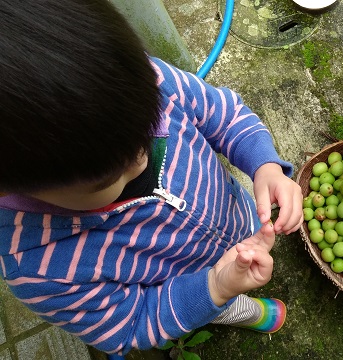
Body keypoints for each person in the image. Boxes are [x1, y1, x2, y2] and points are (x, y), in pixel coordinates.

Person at [0, 0, 303, 356]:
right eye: (112, 174)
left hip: (236, 213)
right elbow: (131, 323)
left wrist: (264, 164)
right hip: (185, 282)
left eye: (149, 128)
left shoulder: (138, 82)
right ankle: (233, 309)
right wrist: (216, 288)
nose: (144, 159)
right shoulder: (41, 268)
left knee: (239, 264)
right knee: (214, 301)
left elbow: (222, 113)